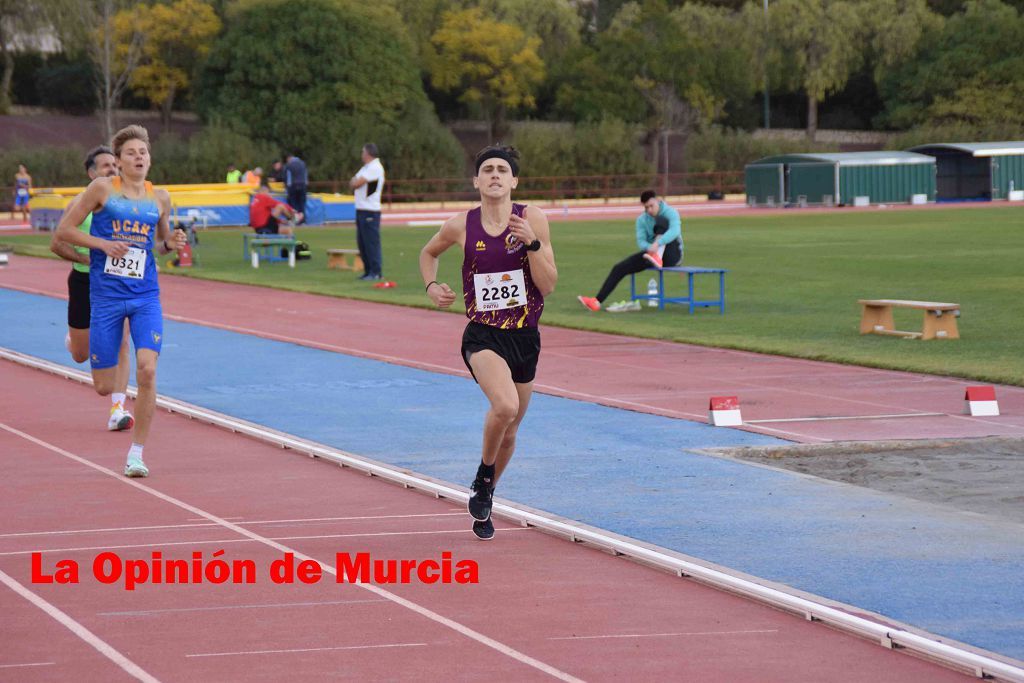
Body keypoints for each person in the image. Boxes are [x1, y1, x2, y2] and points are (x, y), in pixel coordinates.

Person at [419, 145, 557, 540]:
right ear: (476, 181)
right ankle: (483, 473)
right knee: (505, 406)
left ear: (514, 181)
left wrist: (531, 244)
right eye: (487, 170)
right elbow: (429, 253)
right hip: (483, 335)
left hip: (526, 337)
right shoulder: (461, 225)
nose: (495, 175)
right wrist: (431, 285)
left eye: (502, 170)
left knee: (510, 431)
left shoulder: (533, 219)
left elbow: (547, 285)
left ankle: (487, 491)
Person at [55, 124, 186, 478]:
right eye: (131, 153)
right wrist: (102, 246)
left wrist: (170, 244)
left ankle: (137, 454)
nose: (139, 157)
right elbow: (63, 232)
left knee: (147, 369)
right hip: (107, 297)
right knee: (103, 385)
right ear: (119, 161)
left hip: (145, 296)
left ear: (150, 158)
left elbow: (159, 247)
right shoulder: (101, 189)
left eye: (143, 152)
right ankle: (76, 341)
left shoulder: (160, 198)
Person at [49, 146, 134, 431]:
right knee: (81, 355)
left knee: (122, 342)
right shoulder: (79, 203)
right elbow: (56, 243)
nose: (112, 169)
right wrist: (88, 259)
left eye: (114, 164)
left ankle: (118, 408)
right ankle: (74, 341)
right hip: (85, 282)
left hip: (117, 283)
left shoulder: (128, 202)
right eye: (105, 165)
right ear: (91, 173)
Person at [577, 189, 683, 312]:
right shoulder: (641, 220)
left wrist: (658, 243)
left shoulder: (671, 212)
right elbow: (641, 242)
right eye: (646, 207)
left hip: (672, 255)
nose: (649, 210)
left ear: (658, 201)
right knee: (619, 268)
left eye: (651, 206)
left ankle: (657, 256)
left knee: (662, 220)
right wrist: (650, 248)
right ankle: (596, 301)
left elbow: (675, 231)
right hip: (651, 255)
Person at [350, 143, 385, 280]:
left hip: (370, 210)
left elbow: (356, 183)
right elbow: (353, 182)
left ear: (368, 153)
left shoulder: (375, 167)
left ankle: (376, 272)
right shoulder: (366, 168)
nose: (361, 154)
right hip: (361, 209)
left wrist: (355, 182)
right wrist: (355, 182)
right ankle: (368, 270)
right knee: (362, 243)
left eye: (362, 152)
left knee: (371, 242)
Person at [284, 151, 308, 221]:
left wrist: (287, 188)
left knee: (293, 204)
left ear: (288, 158)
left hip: (293, 186)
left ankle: (294, 219)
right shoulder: (303, 163)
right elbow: (305, 175)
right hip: (303, 185)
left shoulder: (289, 165)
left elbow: (287, 177)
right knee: (302, 203)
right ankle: (302, 220)